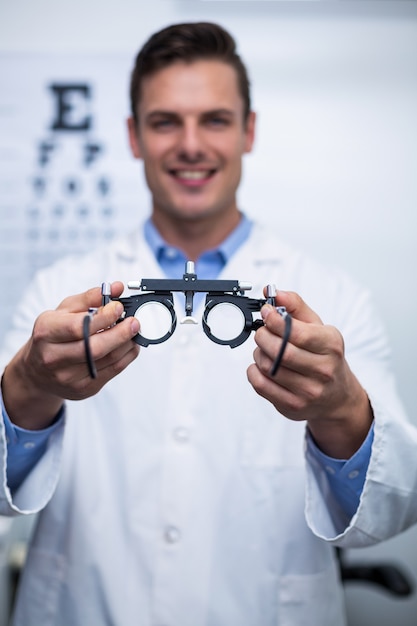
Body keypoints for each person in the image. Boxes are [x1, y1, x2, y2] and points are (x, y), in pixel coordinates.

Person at [1, 21, 416, 626]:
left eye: (215, 119)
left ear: (248, 131)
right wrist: (28, 390)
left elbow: (394, 502)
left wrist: (342, 410)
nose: (190, 145)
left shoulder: (336, 298)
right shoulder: (54, 295)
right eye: (165, 121)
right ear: (133, 136)